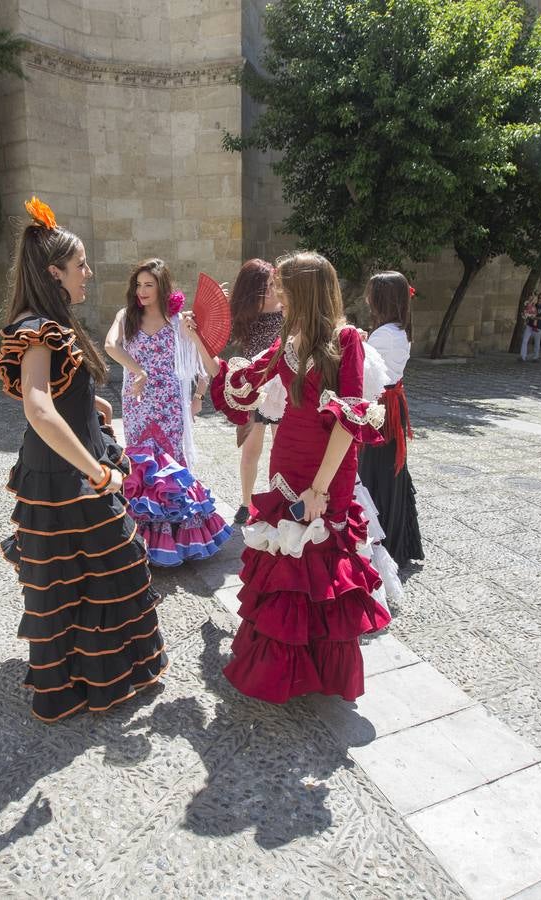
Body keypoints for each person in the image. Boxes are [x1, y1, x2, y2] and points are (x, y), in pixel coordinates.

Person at [0, 196, 167, 722]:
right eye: (80, 265)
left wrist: (90, 405)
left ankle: (96, 676)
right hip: (67, 477)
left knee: (92, 576)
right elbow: (38, 407)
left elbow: (55, 394)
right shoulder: (37, 329)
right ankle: (80, 683)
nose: (88, 273)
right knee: (85, 578)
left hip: (72, 468)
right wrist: (96, 472)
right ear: (55, 272)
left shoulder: (51, 321)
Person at [208, 250, 391, 704]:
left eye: (282, 288)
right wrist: (200, 344)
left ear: (304, 290)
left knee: (319, 563)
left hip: (326, 471)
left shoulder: (346, 341)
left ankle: (318, 670)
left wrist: (320, 489)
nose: (276, 296)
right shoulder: (289, 341)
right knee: (287, 569)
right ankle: (284, 669)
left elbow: (349, 423)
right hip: (286, 465)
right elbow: (245, 381)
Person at [104, 258, 231, 566]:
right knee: (141, 465)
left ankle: (177, 540)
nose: (142, 290)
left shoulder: (178, 320)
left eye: (149, 284)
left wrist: (198, 396)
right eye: (138, 284)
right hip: (137, 404)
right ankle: (140, 540)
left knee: (171, 466)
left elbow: (202, 361)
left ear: (163, 287)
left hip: (170, 405)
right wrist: (138, 370)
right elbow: (110, 346)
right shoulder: (126, 316)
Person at [357, 272, 423, 570]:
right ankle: (396, 540)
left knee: (374, 471)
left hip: (380, 407)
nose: (367, 298)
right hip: (392, 403)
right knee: (390, 471)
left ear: (380, 299)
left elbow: (364, 373)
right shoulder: (400, 330)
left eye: (371, 293)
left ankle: (380, 543)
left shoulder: (383, 335)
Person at [228, 258, 283, 522]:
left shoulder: (286, 305)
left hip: (283, 384)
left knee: (282, 448)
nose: (271, 291)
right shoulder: (242, 309)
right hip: (254, 384)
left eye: (273, 284)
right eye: (265, 286)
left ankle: (279, 499)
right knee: (251, 449)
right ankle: (245, 502)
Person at [520, 293, 541, 362]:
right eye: (531, 298)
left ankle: (535, 357)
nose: (532, 299)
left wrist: (533, 317)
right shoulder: (528, 304)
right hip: (529, 325)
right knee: (524, 340)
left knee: (536, 342)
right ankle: (523, 356)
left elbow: (540, 316)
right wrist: (527, 316)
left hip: (536, 326)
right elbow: (526, 311)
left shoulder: (537, 306)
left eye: (533, 298)